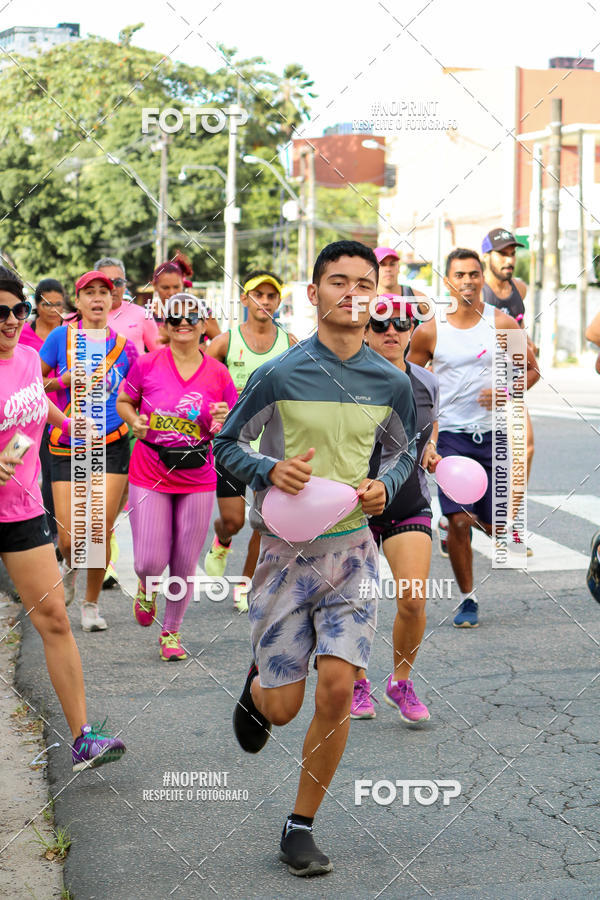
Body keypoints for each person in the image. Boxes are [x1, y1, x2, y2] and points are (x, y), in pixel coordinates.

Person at [213, 240, 416, 877]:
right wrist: (269, 470)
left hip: (353, 553)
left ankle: (300, 826)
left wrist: (387, 484)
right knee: (283, 708)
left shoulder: (392, 382)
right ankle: (258, 689)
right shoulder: (279, 374)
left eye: (364, 284)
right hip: (284, 556)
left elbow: (404, 451)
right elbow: (225, 445)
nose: (352, 294)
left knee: (337, 689)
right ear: (314, 293)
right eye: (338, 282)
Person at [0, 266, 125, 770]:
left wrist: (68, 423)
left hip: (22, 512)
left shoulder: (29, 358)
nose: (12, 321)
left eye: (19, 310)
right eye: (0, 313)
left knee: (54, 618)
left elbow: (34, 401)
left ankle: (83, 738)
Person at [408, 248, 538, 628]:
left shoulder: (501, 323)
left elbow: (531, 370)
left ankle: (467, 527)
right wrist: (425, 434)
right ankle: (468, 598)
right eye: (459, 275)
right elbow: (408, 380)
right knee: (461, 520)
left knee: (496, 526)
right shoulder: (431, 330)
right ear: (447, 281)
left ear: (482, 278)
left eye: (473, 274)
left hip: (494, 436)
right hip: (451, 436)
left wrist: (506, 392)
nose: (467, 281)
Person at [116, 294, 238, 661]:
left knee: (185, 559)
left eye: (192, 317)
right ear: (166, 325)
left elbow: (229, 422)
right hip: (150, 469)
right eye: (175, 317)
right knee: (149, 561)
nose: (183, 322)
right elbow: (125, 401)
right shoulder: (147, 363)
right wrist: (134, 421)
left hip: (197, 474)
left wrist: (222, 418)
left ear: (203, 325)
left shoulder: (218, 373)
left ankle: (171, 632)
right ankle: (146, 585)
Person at [352, 298, 441, 722]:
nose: (392, 331)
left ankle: (400, 682)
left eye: (401, 324)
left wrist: (432, 449)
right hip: (355, 505)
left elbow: (430, 425)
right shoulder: (347, 379)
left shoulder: (426, 381)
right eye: (380, 323)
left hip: (407, 501)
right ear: (365, 330)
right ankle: (356, 681)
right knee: (356, 600)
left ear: (411, 331)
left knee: (413, 600)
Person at [39, 271, 138, 631]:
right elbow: (32, 384)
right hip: (67, 444)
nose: (97, 298)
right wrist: (61, 381)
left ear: (112, 301)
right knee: (69, 539)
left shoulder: (126, 347)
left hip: (112, 445)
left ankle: (91, 605)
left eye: (104, 293)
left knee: (98, 529)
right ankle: (69, 565)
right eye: (89, 292)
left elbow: (138, 395)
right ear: (77, 301)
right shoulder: (60, 338)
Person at [205, 271, 297, 611]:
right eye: (258, 294)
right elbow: (202, 382)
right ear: (245, 299)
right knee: (234, 521)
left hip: (271, 449)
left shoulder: (290, 343)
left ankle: (246, 587)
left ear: (278, 301)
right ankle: (222, 538)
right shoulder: (225, 342)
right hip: (233, 445)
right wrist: (215, 407)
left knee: (263, 523)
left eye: (271, 296)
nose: (265, 301)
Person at [94, 257, 160, 590]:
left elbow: (159, 354)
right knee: (103, 491)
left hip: (135, 413)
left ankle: (113, 547)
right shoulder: (86, 319)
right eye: (107, 283)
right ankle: (106, 558)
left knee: (127, 489)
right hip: (96, 415)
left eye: (118, 282)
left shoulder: (141, 316)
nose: (114, 288)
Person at [481, 228, 536, 553]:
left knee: (524, 447)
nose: (509, 259)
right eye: (502, 253)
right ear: (486, 256)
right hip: (478, 383)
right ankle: (453, 517)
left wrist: (527, 343)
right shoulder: (478, 293)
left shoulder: (520, 288)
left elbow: (519, 326)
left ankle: (507, 525)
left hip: (509, 380)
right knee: (478, 455)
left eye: (513, 253)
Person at [19, 278, 67, 544]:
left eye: (58, 304)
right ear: (36, 305)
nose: (53, 309)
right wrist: (61, 382)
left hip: (57, 417)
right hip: (23, 418)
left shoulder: (70, 333)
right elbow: (27, 382)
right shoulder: (20, 333)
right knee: (21, 473)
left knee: (50, 475)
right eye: (47, 304)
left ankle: (53, 535)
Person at [152, 250, 221, 341]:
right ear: (155, 286)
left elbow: (221, 343)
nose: (171, 292)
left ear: (183, 284)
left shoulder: (200, 310)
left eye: (176, 287)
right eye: (165, 288)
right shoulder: (145, 314)